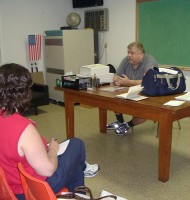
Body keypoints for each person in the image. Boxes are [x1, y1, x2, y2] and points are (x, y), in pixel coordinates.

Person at [0, 63, 99, 200]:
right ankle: (79, 194)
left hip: (8, 187)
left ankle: (76, 194)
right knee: (77, 144)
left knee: (70, 152)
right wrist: (52, 149)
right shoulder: (23, 128)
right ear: (24, 93)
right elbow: (48, 170)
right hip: (32, 189)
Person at [107, 42, 158, 135]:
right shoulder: (126, 60)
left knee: (143, 113)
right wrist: (116, 79)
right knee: (115, 100)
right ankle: (120, 122)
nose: (129, 55)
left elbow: (148, 82)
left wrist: (129, 82)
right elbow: (117, 75)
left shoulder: (150, 63)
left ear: (141, 54)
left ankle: (127, 125)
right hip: (128, 90)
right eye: (128, 52)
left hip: (146, 93)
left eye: (132, 53)